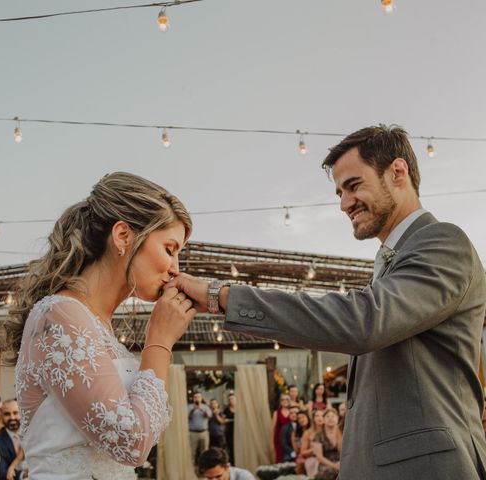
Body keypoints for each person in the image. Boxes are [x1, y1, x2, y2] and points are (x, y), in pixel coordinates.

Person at [168, 124, 486, 479]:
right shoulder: (389, 264)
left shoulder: (443, 242)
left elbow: (361, 322)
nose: (343, 204)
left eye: (353, 186)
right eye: (339, 192)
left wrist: (222, 296)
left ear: (398, 172)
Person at [4, 172, 194, 479]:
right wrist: (159, 341)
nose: (175, 269)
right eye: (170, 249)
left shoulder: (97, 325)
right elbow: (131, 441)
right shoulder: (60, 315)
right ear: (122, 236)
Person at [0, 399, 23, 480]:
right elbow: (2, 472)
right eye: (7, 414)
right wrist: (24, 474)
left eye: (15, 413)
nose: (12, 417)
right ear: (1, 416)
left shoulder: (32, 434)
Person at [313, 408, 342, 480]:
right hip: (326, 463)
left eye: (333, 416)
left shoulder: (342, 433)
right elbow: (319, 457)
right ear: (323, 419)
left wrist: (341, 463)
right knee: (329, 472)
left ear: (337, 419)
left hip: (341, 461)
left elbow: (343, 451)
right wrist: (334, 465)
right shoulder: (318, 435)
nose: (330, 418)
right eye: (328, 416)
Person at [188, 393, 212, 466]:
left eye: (198, 397)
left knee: (204, 451)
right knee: (192, 452)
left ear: (201, 398)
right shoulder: (189, 407)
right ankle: (191, 468)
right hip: (193, 433)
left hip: (204, 432)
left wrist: (201, 409)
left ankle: (203, 468)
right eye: (195, 397)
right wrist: (193, 410)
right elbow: (187, 417)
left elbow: (209, 416)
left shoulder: (206, 407)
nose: (197, 398)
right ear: (193, 398)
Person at [271, 393, 291, 463]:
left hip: (290, 439)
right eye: (283, 400)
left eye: (287, 399)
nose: (285, 401)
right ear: (280, 402)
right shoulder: (276, 413)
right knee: (279, 459)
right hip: (279, 439)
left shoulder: (292, 412)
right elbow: (273, 428)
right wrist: (271, 443)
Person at [222, 394, 236, 465]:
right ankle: (232, 462)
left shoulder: (239, 409)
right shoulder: (226, 410)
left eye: (232, 399)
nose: (231, 400)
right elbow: (223, 420)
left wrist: (230, 420)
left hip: (237, 431)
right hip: (229, 431)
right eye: (230, 399)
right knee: (231, 447)